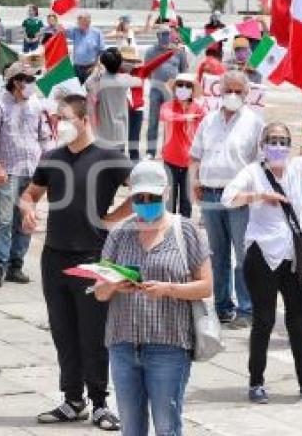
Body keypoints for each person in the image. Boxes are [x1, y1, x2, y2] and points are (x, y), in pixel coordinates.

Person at [20, 94, 132, 430]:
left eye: (66, 118)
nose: (60, 124)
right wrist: (28, 208)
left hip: (91, 257)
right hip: (54, 255)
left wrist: (112, 218)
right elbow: (30, 193)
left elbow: (148, 190)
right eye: (57, 118)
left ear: (85, 120)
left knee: (93, 333)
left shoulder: (109, 157)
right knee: (63, 333)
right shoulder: (52, 158)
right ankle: (72, 399)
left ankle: (100, 402)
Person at [221, 98, 302, 405]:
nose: (277, 145)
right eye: (272, 141)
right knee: (263, 319)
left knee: (298, 320)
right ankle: (256, 381)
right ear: (262, 145)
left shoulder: (297, 167)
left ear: (289, 145)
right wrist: (259, 195)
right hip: (261, 254)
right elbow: (227, 197)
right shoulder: (253, 171)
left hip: (293, 256)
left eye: (283, 141)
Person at [95, 160, 212, 436]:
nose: (146, 203)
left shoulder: (186, 231)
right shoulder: (120, 233)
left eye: (152, 198)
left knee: (166, 426)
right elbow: (99, 292)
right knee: (131, 429)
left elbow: (206, 286)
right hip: (123, 345)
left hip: (168, 346)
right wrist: (114, 285)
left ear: (166, 194)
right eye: (140, 198)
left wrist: (169, 289)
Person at [189, 70, 263, 326]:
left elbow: (260, 162)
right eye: (227, 90)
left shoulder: (254, 122)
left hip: (239, 196)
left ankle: (246, 308)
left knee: (243, 254)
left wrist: (253, 193)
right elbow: (195, 155)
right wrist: (194, 180)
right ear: (219, 91)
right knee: (216, 253)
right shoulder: (208, 120)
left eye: (237, 91)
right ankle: (222, 306)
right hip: (210, 193)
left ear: (245, 93)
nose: (232, 95)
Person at [0, 62, 53, 288]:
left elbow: (44, 135)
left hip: (33, 171)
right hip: (8, 170)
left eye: (33, 80)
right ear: (15, 82)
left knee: (26, 218)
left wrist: (50, 162)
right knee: (3, 218)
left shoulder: (35, 104)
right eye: (27, 80)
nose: (31, 85)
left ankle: (16, 264)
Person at [160, 73, 206, 218]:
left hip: (190, 162)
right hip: (170, 160)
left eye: (187, 86)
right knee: (169, 202)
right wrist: (188, 117)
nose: (183, 88)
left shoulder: (199, 109)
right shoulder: (167, 106)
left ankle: (185, 235)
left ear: (192, 89)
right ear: (174, 88)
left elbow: (204, 131)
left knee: (186, 204)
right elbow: (167, 116)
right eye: (180, 85)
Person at [85, 47, 143, 153]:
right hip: (120, 132)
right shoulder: (125, 79)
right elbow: (139, 81)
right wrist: (126, 65)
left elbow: (87, 84)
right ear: (119, 63)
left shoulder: (98, 82)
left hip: (103, 134)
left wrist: (97, 70)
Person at [145, 25, 188, 158]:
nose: (165, 37)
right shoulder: (150, 51)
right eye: (162, 34)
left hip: (172, 91)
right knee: (153, 121)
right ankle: (150, 152)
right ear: (157, 36)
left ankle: (167, 150)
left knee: (170, 122)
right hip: (156, 89)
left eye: (167, 34)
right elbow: (146, 70)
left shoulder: (179, 52)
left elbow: (183, 72)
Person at [63, 13, 106, 84]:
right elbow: (63, 33)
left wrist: (95, 66)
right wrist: (60, 27)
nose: (78, 24)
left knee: (89, 91)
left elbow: (101, 51)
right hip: (77, 67)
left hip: (90, 67)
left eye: (80, 22)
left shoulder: (97, 33)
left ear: (88, 22)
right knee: (77, 90)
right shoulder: (75, 30)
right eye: (78, 22)